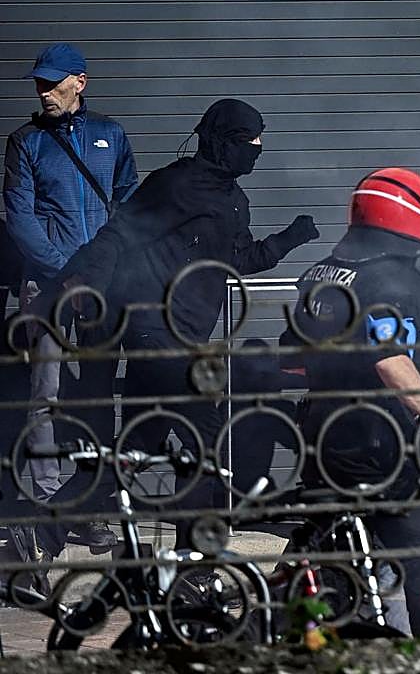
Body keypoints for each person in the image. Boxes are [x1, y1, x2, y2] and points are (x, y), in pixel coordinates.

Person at [53, 98, 318, 554]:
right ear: (220, 141)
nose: (255, 150)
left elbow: (238, 259)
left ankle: (45, 527)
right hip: (154, 331)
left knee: (140, 444)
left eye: (259, 143)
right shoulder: (174, 184)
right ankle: (196, 556)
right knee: (208, 436)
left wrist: (289, 240)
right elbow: (118, 234)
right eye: (247, 141)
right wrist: (84, 285)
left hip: (187, 335)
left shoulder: (234, 200)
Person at [287, 167, 420, 636]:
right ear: (405, 216)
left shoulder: (323, 271)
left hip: (323, 435)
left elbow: (295, 354)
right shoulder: (393, 282)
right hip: (378, 442)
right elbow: (389, 358)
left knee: (325, 555)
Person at [3, 43, 138, 552]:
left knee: (96, 398)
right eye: (38, 82)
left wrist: (104, 271)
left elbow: (128, 204)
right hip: (50, 285)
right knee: (48, 396)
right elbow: (20, 217)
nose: (43, 90)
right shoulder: (25, 143)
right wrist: (66, 273)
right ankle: (51, 505)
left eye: (53, 81)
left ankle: (93, 505)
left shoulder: (111, 135)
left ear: (79, 81)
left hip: (102, 287)